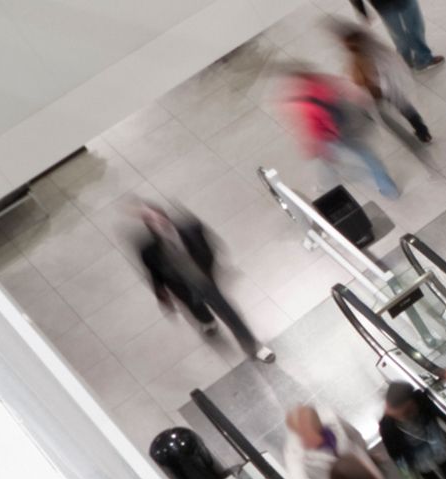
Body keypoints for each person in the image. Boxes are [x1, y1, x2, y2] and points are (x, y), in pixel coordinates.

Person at [136, 203, 275, 362]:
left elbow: (209, 249)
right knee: (196, 308)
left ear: (164, 216)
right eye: (151, 222)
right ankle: (208, 321)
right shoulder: (148, 251)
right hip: (181, 287)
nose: (157, 224)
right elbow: (154, 274)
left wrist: (208, 272)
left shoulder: (191, 228)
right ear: (149, 227)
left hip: (204, 281)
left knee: (229, 313)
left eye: (157, 218)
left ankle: (253, 346)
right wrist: (161, 295)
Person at [282, 68, 399, 198]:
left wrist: (312, 148)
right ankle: (388, 188)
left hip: (334, 135)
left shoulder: (306, 105)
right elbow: (344, 88)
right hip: (347, 125)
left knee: (328, 163)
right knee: (367, 155)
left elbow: (314, 129)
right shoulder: (319, 82)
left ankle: (327, 186)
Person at [339, 24, 432, 144]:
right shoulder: (375, 54)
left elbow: (358, 81)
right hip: (387, 88)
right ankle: (423, 132)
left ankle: (420, 132)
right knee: (406, 109)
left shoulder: (358, 62)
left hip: (378, 91)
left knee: (400, 109)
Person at [283, 403, 379, 479]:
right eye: (300, 435)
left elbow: (354, 435)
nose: (304, 442)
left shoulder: (332, 420)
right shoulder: (294, 449)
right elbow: (295, 473)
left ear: (318, 427)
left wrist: (367, 455)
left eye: (307, 435)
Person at [378, 381, 446, 479]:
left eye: (398, 410)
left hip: (429, 434)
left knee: (440, 456)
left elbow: (433, 408)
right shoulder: (387, 426)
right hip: (413, 448)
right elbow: (393, 449)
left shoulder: (420, 399)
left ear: (409, 403)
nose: (393, 413)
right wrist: (402, 465)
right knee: (424, 468)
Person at [349, 0, 445, 72]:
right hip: (384, 5)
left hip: (383, 5)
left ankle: (407, 61)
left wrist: (362, 11)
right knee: (413, 27)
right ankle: (420, 59)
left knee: (400, 33)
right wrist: (361, 10)